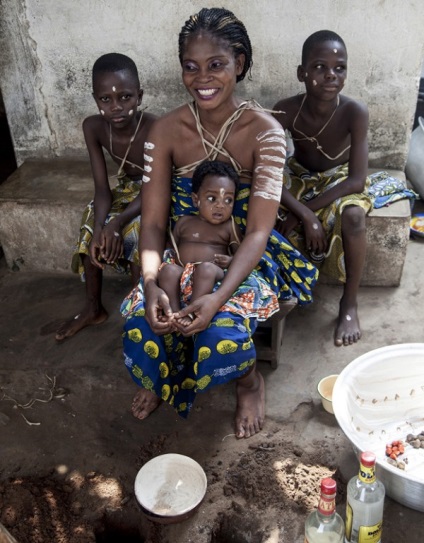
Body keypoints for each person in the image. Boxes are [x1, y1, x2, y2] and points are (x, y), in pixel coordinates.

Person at [121, 7, 318, 439]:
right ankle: (160, 377)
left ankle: (249, 383)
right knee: (143, 325)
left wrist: (217, 298)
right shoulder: (166, 130)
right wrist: (152, 282)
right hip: (176, 255)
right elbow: (153, 225)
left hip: (237, 258)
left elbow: (259, 233)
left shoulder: (264, 131)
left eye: (217, 65)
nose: (202, 78)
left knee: (218, 333)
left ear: (240, 65)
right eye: (191, 68)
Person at [273, 30, 373, 348]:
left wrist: (310, 211)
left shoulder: (354, 112)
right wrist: (303, 213)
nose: (331, 75)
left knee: (355, 216)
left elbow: (357, 180)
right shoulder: (286, 110)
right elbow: (267, 171)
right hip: (301, 177)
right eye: (319, 67)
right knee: (260, 207)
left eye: (339, 67)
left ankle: (349, 302)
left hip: (339, 179)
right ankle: (279, 290)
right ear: (302, 73)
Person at [55, 53, 156, 341]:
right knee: (90, 221)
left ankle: (141, 314)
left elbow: (154, 186)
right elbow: (102, 189)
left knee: (137, 230)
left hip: (158, 190)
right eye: (106, 100)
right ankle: (92, 308)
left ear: (139, 96)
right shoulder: (93, 128)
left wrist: (117, 223)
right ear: (95, 99)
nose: (116, 107)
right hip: (127, 190)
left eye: (125, 97)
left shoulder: (155, 127)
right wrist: (101, 227)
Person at [158, 159, 246, 325]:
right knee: (168, 270)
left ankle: (193, 310)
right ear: (195, 200)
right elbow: (170, 250)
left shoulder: (229, 227)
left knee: (206, 268)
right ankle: (175, 312)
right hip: (183, 274)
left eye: (228, 200)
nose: (220, 206)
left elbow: (242, 256)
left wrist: (230, 261)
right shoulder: (184, 222)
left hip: (212, 277)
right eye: (212, 198)